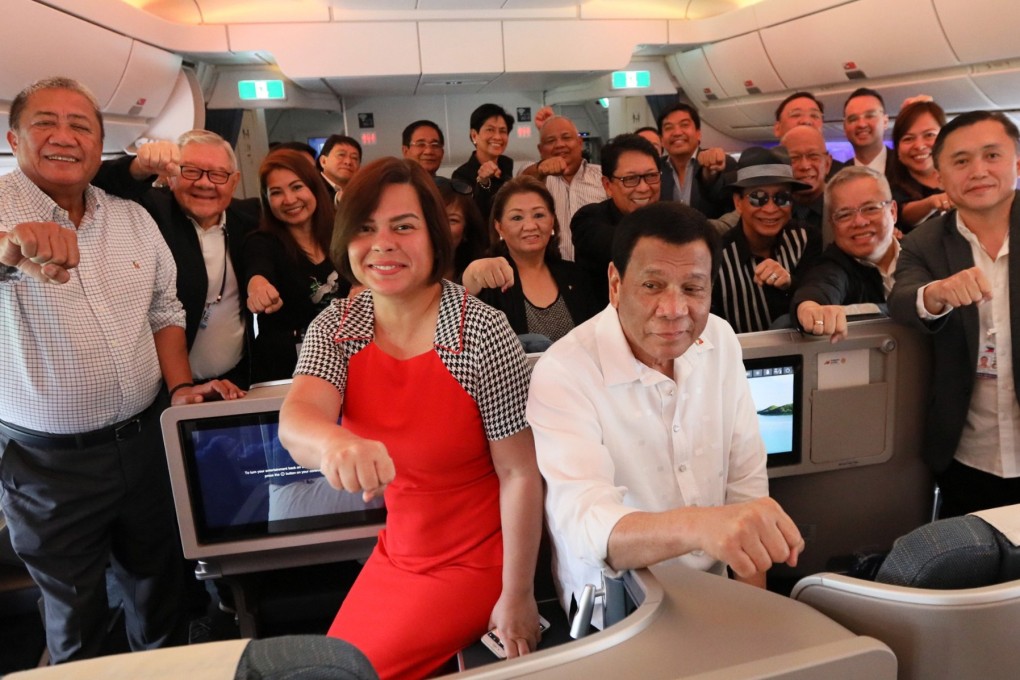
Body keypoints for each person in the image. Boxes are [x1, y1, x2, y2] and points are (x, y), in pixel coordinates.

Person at [0, 77, 241, 664]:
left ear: (101, 144)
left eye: (81, 125)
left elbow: (165, 310)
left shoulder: (132, 219)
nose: (64, 136)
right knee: (77, 617)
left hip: (143, 443)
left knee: (159, 593)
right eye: (45, 123)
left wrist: (181, 386)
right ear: (13, 138)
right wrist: (8, 252)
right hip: (49, 466)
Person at [277, 157, 543, 678]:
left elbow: (520, 474)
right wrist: (335, 445)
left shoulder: (479, 332)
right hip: (397, 554)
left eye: (404, 227)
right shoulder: (339, 324)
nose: (383, 244)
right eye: (365, 228)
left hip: (478, 561)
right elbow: (299, 415)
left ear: (435, 234)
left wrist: (518, 595)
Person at [527, 201, 804, 626]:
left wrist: (755, 621)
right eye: (653, 286)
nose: (674, 310)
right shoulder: (565, 370)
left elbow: (747, 485)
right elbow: (586, 525)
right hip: (618, 605)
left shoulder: (721, 340)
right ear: (615, 284)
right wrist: (701, 526)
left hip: (715, 592)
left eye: (693, 289)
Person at [888, 110, 1020, 518]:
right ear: (940, 176)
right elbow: (902, 296)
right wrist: (938, 294)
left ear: (1017, 161)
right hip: (967, 455)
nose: (978, 171)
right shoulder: (924, 243)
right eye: (961, 161)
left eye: (992, 156)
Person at [137, 130, 259, 388]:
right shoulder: (151, 215)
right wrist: (139, 167)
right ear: (170, 178)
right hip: (166, 389)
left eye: (218, 174)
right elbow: (102, 185)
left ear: (234, 182)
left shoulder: (248, 219)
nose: (205, 183)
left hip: (236, 379)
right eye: (191, 171)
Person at [245, 148, 345, 384]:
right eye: (276, 192)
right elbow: (258, 272)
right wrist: (259, 289)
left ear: (314, 187)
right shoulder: (262, 242)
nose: (289, 200)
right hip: (285, 369)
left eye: (297, 187)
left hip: (345, 359)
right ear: (267, 200)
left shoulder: (341, 234)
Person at [464, 176, 600, 348]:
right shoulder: (490, 279)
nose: (530, 225)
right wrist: (471, 274)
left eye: (539, 215)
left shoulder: (578, 276)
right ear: (499, 227)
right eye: (517, 218)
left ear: (552, 221)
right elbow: (459, 305)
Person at [712, 147, 820, 334]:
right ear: (738, 202)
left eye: (782, 198)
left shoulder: (807, 239)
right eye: (758, 198)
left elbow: (820, 293)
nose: (771, 209)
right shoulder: (716, 257)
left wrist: (790, 284)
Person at [792, 166, 899, 342]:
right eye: (844, 215)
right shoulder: (833, 264)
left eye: (870, 208)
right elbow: (821, 286)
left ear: (893, 212)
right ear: (832, 225)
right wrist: (810, 308)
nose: (859, 222)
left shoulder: (923, 253)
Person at [571, 133, 662, 305]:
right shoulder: (588, 219)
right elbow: (623, 248)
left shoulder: (672, 218)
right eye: (630, 179)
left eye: (651, 176)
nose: (643, 187)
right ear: (607, 186)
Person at [520, 115, 604, 259]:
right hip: (550, 271)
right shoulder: (536, 175)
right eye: (551, 141)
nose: (559, 145)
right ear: (540, 149)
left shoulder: (602, 176)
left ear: (580, 142)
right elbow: (522, 183)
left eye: (566, 138)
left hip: (599, 270)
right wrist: (541, 168)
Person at [657, 102, 735, 219]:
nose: (677, 133)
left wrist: (711, 175)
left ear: (698, 134)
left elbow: (725, 200)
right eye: (668, 128)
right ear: (662, 139)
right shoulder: (656, 169)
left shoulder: (720, 162)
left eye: (684, 125)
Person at [888, 99, 952, 233]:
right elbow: (904, 215)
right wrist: (932, 203)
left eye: (929, 135)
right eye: (908, 138)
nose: (919, 146)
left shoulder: (963, 178)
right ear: (898, 150)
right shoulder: (892, 189)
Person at [453, 103, 515, 222]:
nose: (497, 137)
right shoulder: (461, 175)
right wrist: (483, 182)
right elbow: (472, 216)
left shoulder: (506, 164)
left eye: (503, 131)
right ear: (474, 135)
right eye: (490, 130)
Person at [781, 126, 833, 235]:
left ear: (827, 164)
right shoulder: (769, 209)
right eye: (794, 158)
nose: (805, 166)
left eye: (813, 156)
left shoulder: (846, 208)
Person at [437, 178, 489, 282]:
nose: (441, 227)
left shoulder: (483, 279)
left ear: (466, 230)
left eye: (452, 220)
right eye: (434, 217)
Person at [842, 87, 894, 175]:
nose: (861, 124)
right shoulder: (838, 176)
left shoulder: (907, 166)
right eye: (853, 119)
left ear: (885, 122)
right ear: (845, 128)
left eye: (870, 116)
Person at [317, 134, 362, 202]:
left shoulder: (363, 191)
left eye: (354, 158)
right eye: (341, 155)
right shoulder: (312, 187)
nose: (348, 162)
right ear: (323, 161)